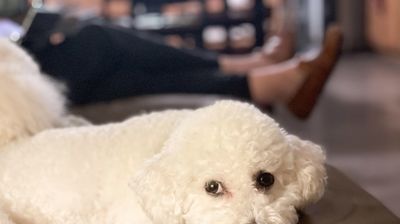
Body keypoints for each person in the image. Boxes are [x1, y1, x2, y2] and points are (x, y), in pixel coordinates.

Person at [1, 0, 342, 119]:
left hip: (27, 48)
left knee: (99, 41)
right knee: (97, 42)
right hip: (22, 64)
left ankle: (257, 77)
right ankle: (249, 71)